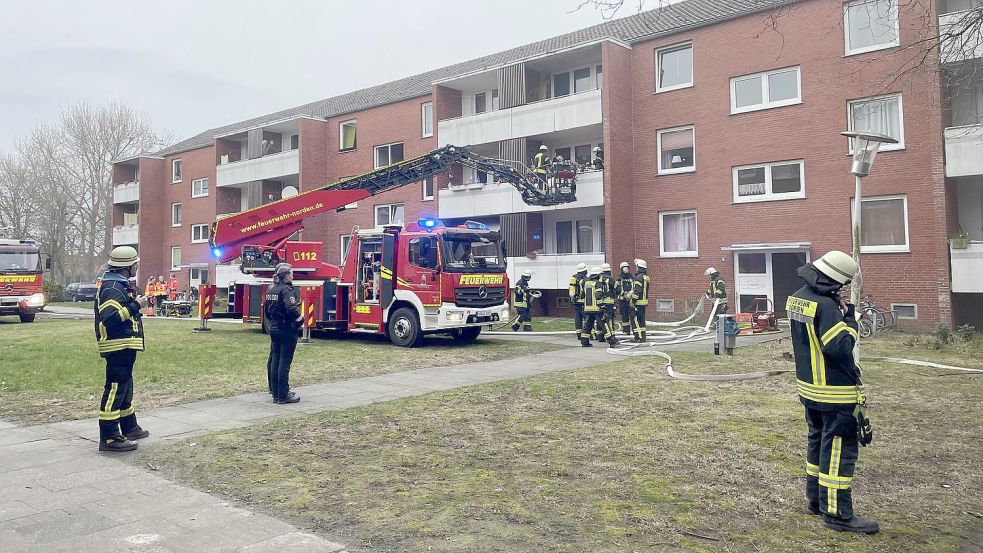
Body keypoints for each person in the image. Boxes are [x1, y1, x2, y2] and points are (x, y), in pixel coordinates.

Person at [786, 250, 878, 534]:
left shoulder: (798, 297)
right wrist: (852, 321)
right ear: (836, 280)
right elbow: (838, 346)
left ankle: (815, 501)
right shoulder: (825, 306)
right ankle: (838, 514)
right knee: (838, 451)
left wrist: (840, 310)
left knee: (818, 445)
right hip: (835, 393)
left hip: (809, 389)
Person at [93, 246, 150, 452]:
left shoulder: (119, 284)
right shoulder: (113, 287)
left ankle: (128, 426)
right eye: (135, 264)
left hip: (124, 344)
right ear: (127, 267)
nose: (137, 267)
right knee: (116, 388)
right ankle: (109, 437)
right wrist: (136, 305)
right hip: (117, 345)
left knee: (125, 386)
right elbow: (111, 318)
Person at [264, 263, 303, 404]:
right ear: (286, 275)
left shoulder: (271, 290)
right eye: (291, 274)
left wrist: (273, 322)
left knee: (275, 360)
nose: (293, 276)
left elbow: (267, 311)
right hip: (287, 328)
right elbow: (292, 308)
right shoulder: (287, 290)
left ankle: (276, 393)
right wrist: (300, 321)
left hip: (274, 328)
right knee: (284, 362)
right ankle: (283, 394)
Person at [579, 266, 603, 347]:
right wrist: (602, 306)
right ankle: (612, 341)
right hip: (596, 308)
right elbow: (598, 295)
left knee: (587, 326)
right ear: (597, 275)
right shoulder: (597, 283)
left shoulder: (586, 283)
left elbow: (582, 295)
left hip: (587, 309)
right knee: (603, 324)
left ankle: (584, 342)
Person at [598, 263, 619, 346]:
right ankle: (612, 337)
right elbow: (618, 289)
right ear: (609, 270)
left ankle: (600, 336)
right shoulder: (611, 279)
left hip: (599, 303)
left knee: (601, 320)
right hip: (609, 303)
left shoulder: (598, 279)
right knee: (609, 320)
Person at [629, 259, 650, 342]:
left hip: (637, 302)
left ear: (639, 267)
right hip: (644, 302)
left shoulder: (638, 278)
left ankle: (638, 336)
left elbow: (637, 291)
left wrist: (632, 301)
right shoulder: (646, 277)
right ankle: (643, 336)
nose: (636, 268)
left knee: (634, 319)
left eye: (637, 267)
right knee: (642, 320)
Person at [568, 263, 587, 340]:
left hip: (575, 301)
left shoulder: (573, 277)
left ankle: (579, 334)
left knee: (578, 317)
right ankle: (588, 333)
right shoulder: (585, 279)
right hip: (583, 301)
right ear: (584, 270)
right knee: (586, 317)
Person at [615, 262, 633, 335]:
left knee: (632, 315)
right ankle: (626, 331)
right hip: (622, 300)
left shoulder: (632, 278)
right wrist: (624, 293)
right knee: (624, 316)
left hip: (631, 299)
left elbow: (634, 286)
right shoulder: (619, 279)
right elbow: (616, 288)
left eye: (627, 268)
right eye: (624, 268)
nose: (626, 269)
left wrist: (631, 293)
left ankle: (634, 330)